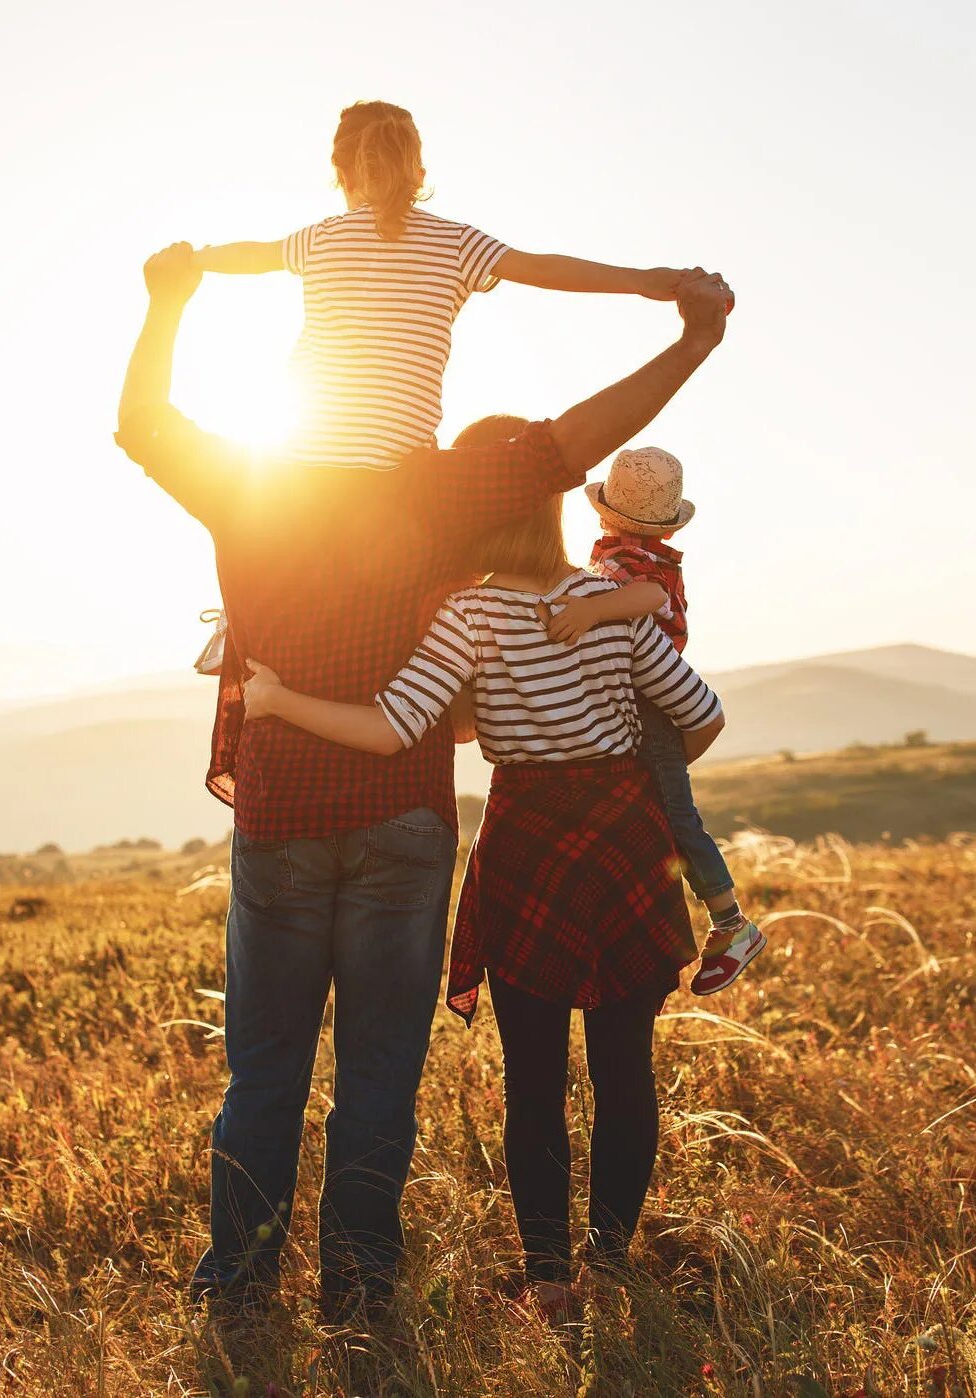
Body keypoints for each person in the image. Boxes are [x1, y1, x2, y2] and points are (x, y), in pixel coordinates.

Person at [115, 238, 733, 1318]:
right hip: (411, 821)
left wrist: (168, 303)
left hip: (286, 816)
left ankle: (240, 1285)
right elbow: (583, 440)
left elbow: (143, 425)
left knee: (264, 1073)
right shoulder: (451, 490)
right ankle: (362, 1289)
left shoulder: (249, 480)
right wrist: (689, 337)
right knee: (381, 1079)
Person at [241, 441, 727, 1317]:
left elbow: (395, 729)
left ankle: (549, 1282)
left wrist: (275, 702)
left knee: (532, 1078)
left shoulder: (467, 614)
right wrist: (618, 766)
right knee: (626, 1070)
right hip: (621, 840)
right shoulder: (606, 601)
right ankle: (609, 1264)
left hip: (527, 843)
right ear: (552, 513)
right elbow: (701, 714)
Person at [193, 99, 697, 468]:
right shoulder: (456, 243)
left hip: (301, 460)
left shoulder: (320, 238)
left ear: (341, 173)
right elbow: (545, 269)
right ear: (418, 171)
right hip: (400, 467)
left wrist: (193, 260)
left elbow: (251, 256)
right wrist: (645, 281)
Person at [541, 446, 766, 993]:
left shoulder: (633, 566)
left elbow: (645, 598)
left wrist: (591, 610)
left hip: (649, 702)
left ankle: (732, 923)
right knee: (653, 815)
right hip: (642, 702)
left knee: (675, 817)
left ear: (604, 511)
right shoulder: (633, 555)